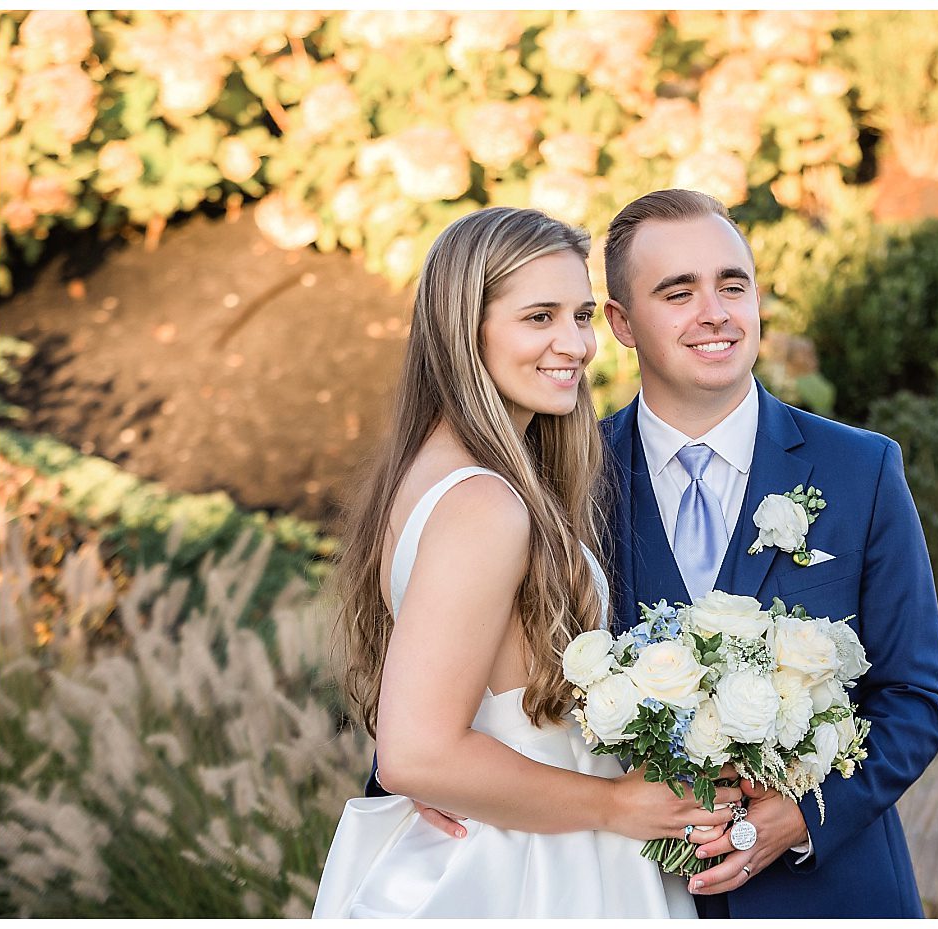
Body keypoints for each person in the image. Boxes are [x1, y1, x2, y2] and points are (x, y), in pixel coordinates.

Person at [312, 207, 744, 918]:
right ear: (465, 329)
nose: (574, 344)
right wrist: (616, 803)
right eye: (539, 317)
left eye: (581, 316)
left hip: (521, 825)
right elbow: (415, 753)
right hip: (534, 867)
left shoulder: (437, 472)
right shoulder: (483, 503)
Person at [596, 189, 938, 916]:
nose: (716, 312)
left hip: (829, 897)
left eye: (733, 285)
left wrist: (802, 818)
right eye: (678, 293)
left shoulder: (861, 470)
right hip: (628, 895)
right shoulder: (569, 479)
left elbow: (916, 696)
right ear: (622, 323)